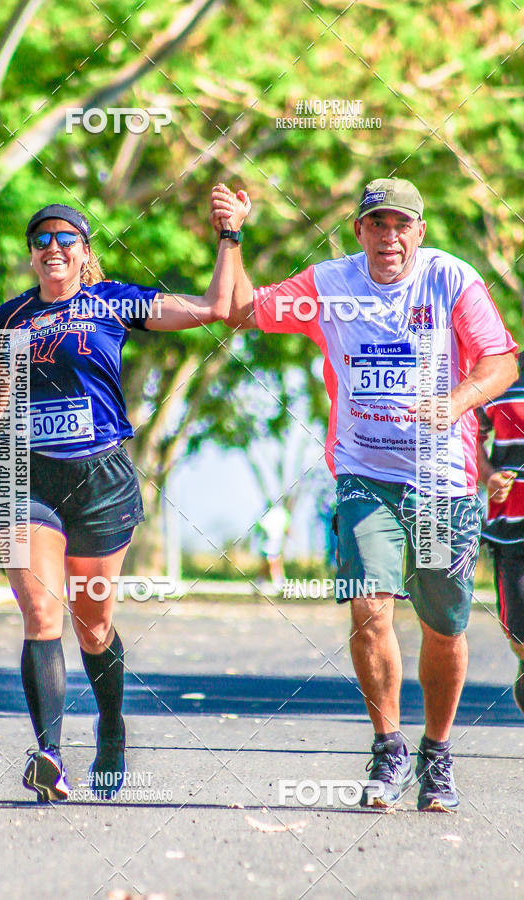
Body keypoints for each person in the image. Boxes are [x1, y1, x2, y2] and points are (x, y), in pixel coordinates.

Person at [212, 177, 518, 811]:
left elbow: (501, 361)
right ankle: (388, 747)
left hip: (442, 482)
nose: (390, 236)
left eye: (402, 224)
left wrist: (457, 401)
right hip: (362, 475)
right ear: (358, 231)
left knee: (444, 625)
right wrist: (232, 235)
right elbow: (244, 309)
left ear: (420, 232)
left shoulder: (452, 280)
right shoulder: (328, 285)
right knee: (369, 607)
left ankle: (436, 754)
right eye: (377, 224)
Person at [0, 200, 247, 802]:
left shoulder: (113, 302)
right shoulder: (10, 318)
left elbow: (215, 309)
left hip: (102, 480)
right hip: (24, 478)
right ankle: (49, 753)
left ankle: (110, 727)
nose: (52, 248)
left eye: (65, 238)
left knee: (95, 626)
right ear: (32, 254)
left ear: (84, 251)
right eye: (41, 239)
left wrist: (229, 237)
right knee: (41, 615)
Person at [477, 350, 524, 715]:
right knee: (520, 636)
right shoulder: (501, 373)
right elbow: (468, 433)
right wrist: (488, 475)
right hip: (511, 527)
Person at [255, 502, 291, 590]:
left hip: (271, 545)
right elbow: (287, 529)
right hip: (269, 545)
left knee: (270, 565)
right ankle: (279, 584)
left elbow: (258, 529)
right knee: (273, 564)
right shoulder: (281, 515)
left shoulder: (267, 516)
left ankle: (260, 583)